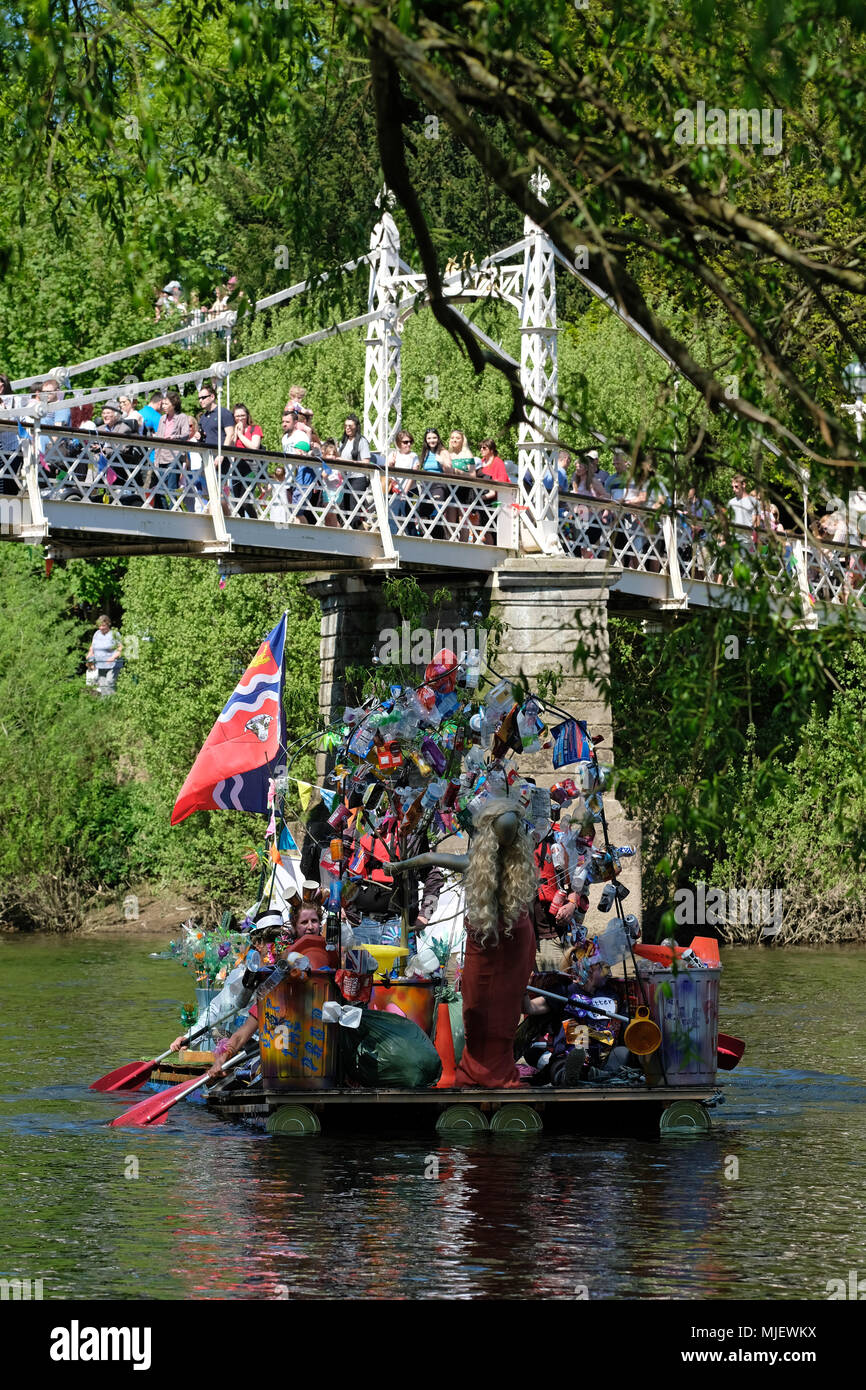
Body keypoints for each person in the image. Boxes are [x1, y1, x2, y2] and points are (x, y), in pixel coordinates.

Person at [153, 391, 192, 510]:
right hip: (162, 456)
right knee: (158, 488)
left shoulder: (182, 417)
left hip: (174, 456)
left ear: (173, 404)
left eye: (166, 404)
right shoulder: (162, 418)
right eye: (163, 404)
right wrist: (156, 457)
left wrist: (174, 438)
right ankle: (163, 510)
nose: (163, 406)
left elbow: (186, 434)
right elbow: (159, 437)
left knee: (172, 487)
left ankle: (172, 510)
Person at [339, 413, 372, 529]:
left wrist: (350, 463)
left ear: (356, 427)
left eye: (350, 426)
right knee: (343, 507)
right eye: (346, 426)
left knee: (354, 508)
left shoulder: (362, 441)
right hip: (345, 478)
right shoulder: (343, 441)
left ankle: (356, 530)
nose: (347, 428)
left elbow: (366, 462)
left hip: (358, 478)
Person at [231, 402, 262, 519]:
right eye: (237, 416)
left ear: (247, 416)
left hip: (251, 466)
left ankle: (256, 521)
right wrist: (235, 433)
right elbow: (231, 446)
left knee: (245, 500)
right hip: (237, 465)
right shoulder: (234, 430)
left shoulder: (255, 429)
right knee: (236, 501)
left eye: (242, 415)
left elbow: (254, 446)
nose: (240, 418)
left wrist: (240, 434)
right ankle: (242, 524)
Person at [418, 427, 450, 538]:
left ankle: (441, 537)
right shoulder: (425, 452)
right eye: (429, 438)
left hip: (439, 483)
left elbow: (449, 471)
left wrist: (442, 462)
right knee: (423, 511)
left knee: (436, 511)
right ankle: (426, 536)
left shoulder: (443, 452)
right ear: (426, 440)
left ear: (438, 438)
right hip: (426, 485)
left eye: (434, 438)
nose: (432, 440)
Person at [385, 430, 419, 533]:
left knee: (408, 519)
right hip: (395, 491)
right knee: (392, 518)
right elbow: (385, 471)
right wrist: (390, 464)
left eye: (410, 441)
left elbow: (412, 475)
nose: (408, 444)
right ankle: (392, 539)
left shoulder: (413, 455)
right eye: (405, 442)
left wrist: (405, 491)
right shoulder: (394, 454)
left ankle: (412, 540)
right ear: (399, 443)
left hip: (410, 491)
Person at [87, 614, 123, 695]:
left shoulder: (115, 634)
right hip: (100, 664)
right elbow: (92, 647)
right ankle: (105, 704)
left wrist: (113, 657)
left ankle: (112, 703)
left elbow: (120, 648)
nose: (101, 628)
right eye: (99, 625)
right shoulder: (97, 634)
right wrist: (89, 656)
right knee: (102, 685)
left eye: (103, 625)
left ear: (108, 624)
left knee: (109, 683)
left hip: (113, 665)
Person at [320, 438, 345, 528]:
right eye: (329, 454)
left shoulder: (337, 465)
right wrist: (327, 468)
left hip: (336, 492)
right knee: (327, 515)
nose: (331, 456)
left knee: (332, 514)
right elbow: (323, 475)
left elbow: (344, 461)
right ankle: (328, 531)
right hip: (327, 491)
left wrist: (337, 458)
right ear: (325, 455)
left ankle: (337, 531)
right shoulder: (325, 465)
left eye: (333, 454)